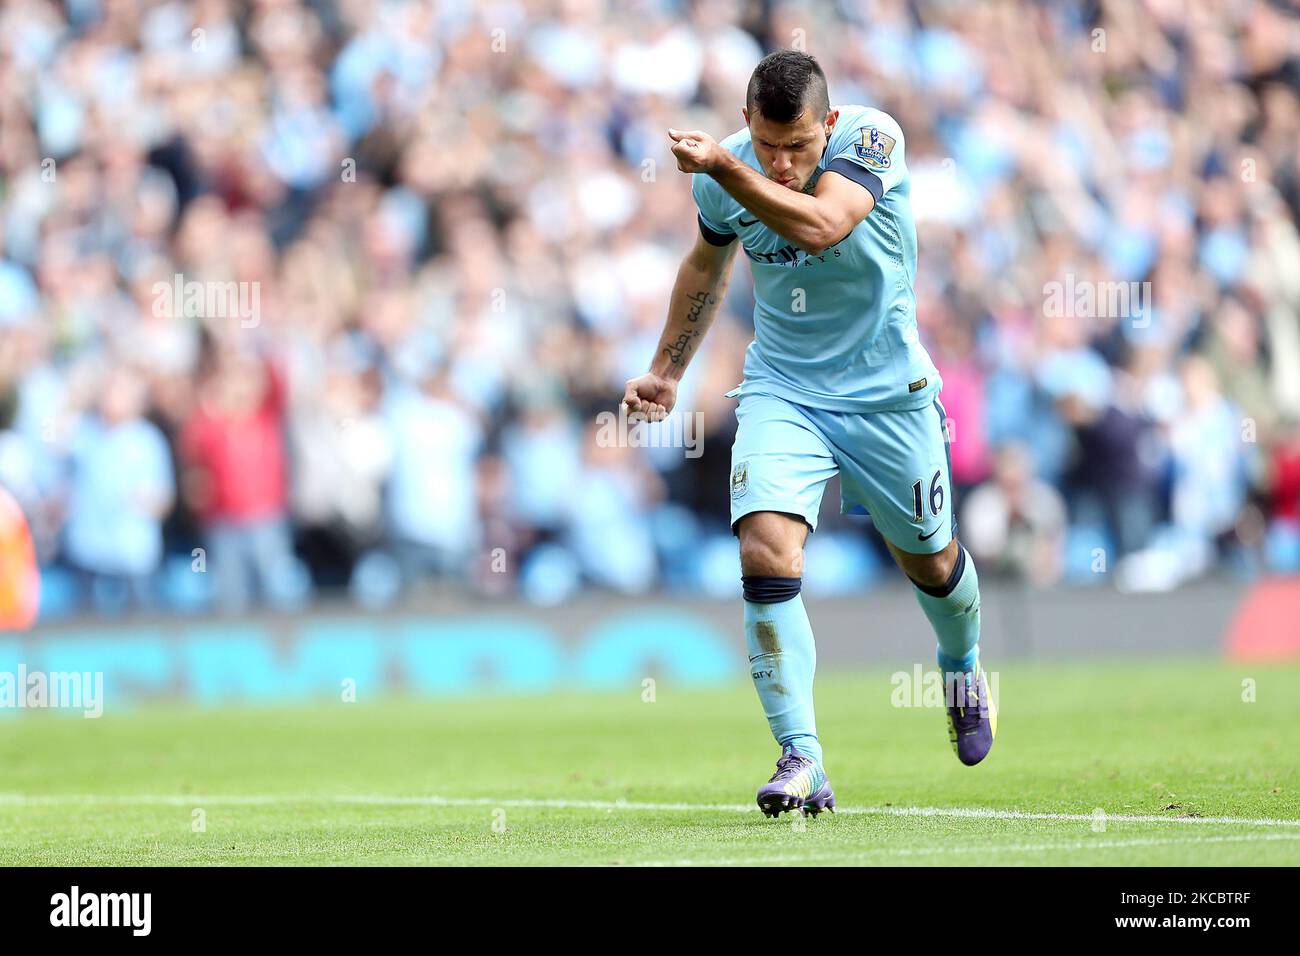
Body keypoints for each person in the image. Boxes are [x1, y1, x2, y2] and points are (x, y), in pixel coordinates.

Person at [623, 50, 995, 818]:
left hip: (889, 394)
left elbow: (825, 226)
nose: (783, 164)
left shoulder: (871, 140)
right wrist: (666, 369)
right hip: (784, 389)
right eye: (768, 146)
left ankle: (960, 668)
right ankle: (803, 756)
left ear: (827, 124)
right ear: (749, 126)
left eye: (797, 146)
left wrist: (733, 169)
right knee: (763, 543)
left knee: (932, 563)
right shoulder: (723, 174)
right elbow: (705, 267)